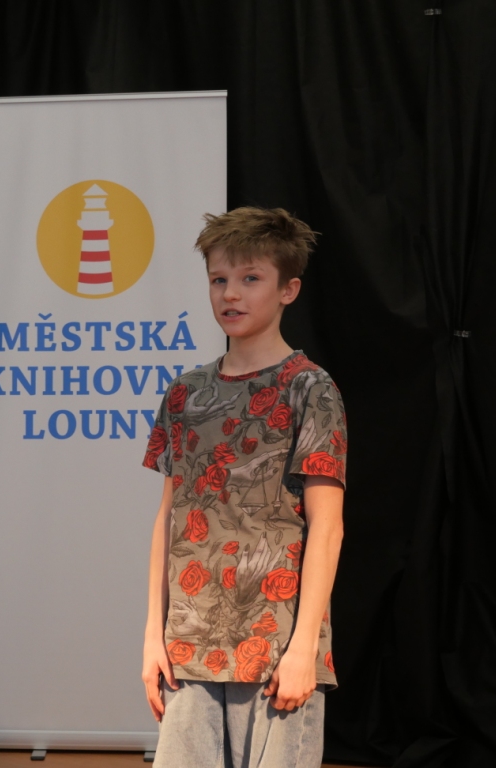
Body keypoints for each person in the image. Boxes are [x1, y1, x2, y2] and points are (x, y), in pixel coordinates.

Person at [141, 207, 347, 767]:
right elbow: (169, 518)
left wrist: (305, 648)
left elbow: (327, 527)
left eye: (251, 278)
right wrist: (153, 636)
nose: (230, 293)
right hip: (189, 645)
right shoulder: (185, 393)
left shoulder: (311, 389)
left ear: (288, 290)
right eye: (219, 279)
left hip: (276, 644)